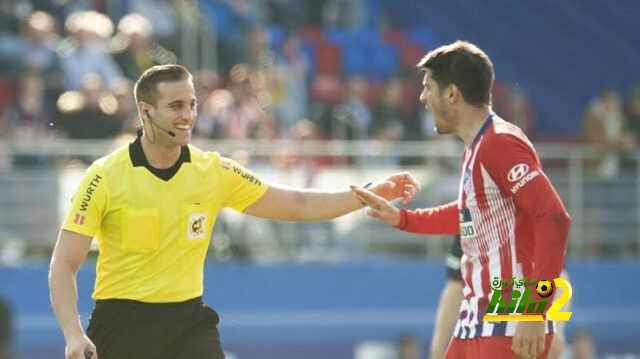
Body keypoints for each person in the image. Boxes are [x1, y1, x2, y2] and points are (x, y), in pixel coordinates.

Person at [48, 64, 420, 359]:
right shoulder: (104, 176)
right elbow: (64, 264)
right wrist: (73, 334)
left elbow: (296, 204)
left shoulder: (214, 171)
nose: (188, 115)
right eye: (176, 106)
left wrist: (365, 194)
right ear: (145, 112)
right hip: (121, 323)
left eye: (192, 104)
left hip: (187, 321)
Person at [352, 41, 571, 359]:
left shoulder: (500, 142)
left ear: (452, 93)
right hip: (477, 317)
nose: (422, 98)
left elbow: (554, 218)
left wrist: (535, 311)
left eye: (428, 88)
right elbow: (471, 214)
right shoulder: (478, 146)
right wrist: (402, 218)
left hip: (507, 317)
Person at [429, 237, 571, 359]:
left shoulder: (537, 215)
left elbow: (557, 275)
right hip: (485, 332)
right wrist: (438, 348)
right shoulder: (470, 216)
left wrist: (555, 328)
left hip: (526, 329)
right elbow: (455, 287)